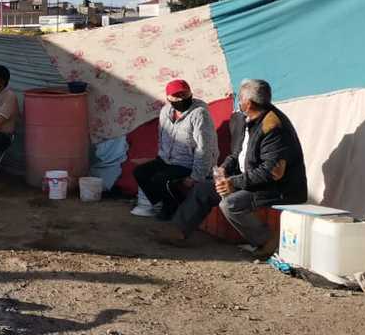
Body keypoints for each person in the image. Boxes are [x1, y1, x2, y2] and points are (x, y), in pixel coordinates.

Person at [154, 79, 308, 259]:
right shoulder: (245, 118)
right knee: (203, 188)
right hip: (250, 178)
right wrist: (224, 169)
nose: (238, 102)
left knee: (230, 204)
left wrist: (234, 183)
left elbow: (271, 172)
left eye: (240, 99)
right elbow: (237, 153)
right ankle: (178, 231)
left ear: (248, 103)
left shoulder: (273, 127)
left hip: (278, 188)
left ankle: (266, 240)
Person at [131, 80, 219, 219]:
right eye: (176, 96)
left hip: (187, 162)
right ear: (169, 98)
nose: (181, 99)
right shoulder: (166, 111)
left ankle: (176, 208)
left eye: (185, 94)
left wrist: (196, 176)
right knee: (140, 172)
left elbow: (205, 148)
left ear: (190, 93)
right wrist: (159, 158)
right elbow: (162, 137)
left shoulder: (199, 114)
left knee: (160, 179)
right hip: (167, 159)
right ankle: (164, 204)